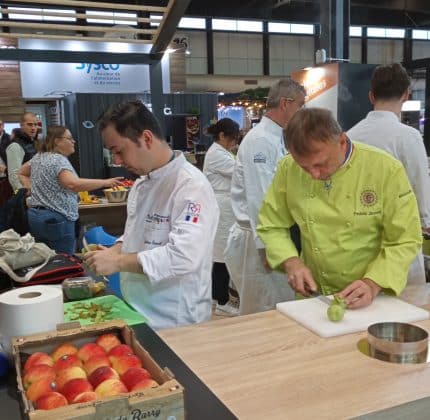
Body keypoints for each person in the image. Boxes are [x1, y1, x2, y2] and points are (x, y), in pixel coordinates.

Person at [257, 108, 422, 309]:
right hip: (313, 294)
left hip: (372, 295)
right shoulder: (287, 168)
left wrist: (372, 283)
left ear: (342, 142)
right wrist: (291, 261)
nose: (314, 175)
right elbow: (271, 224)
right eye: (304, 167)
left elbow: (404, 239)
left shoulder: (386, 170)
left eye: (320, 164)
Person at [83, 100, 219, 330]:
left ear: (146, 138)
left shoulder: (191, 187)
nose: (117, 161)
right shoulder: (141, 184)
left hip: (174, 318)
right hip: (137, 308)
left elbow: (184, 257)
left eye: (118, 151)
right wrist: (116, 249)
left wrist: (118, 262)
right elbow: (136, 233)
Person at [224, 77, 306, 315]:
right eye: (300, 105)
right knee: (265, 310)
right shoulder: (261, 141)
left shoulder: (276, 138)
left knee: (278, 305)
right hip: (258, 240)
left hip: (271, 234)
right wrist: (269, 247)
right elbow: (260, 197)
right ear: (285, 103)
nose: (302, 111)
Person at [347, 63, 430, 284]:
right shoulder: (407, 137)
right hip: (399, 236)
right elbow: (420, 189)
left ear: (371, 96)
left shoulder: (349, 136)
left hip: (357, 237)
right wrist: (424, 222)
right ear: (406, 94)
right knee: (406, 307)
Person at [18, 125, 123, 255]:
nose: (73, 141)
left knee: (45, 259)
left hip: (36, 217)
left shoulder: (39, 157)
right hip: (57, 219)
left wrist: (30, 188)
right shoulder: (58, 160)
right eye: (70, 138)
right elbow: (72, 184)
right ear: (57, 141)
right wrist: (106, 182)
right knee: (64, 260)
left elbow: (21, 172)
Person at [203, 118, 240, 317]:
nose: (234, 143)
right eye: (233, 139)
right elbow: (240, 172)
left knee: (223, 254)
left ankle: (221, 298)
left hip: (225, 205)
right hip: (221, 206)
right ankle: (222, 300)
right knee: (220, 256)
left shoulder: (222, 152)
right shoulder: (217, 154)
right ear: (222, 136)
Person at [6, 112, 38, 192]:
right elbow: (14, 176)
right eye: (30, 124)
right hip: (26, 193)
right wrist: (23, 196)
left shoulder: (31, 142)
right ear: (21, 125)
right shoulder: (15, 146)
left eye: (35, 124)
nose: (33, 128)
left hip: (35, 190)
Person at [0, 120, 12, 206]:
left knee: (5, 202)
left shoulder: (9, 139)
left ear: (3, 125)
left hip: (5, 176)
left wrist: (6, 169)